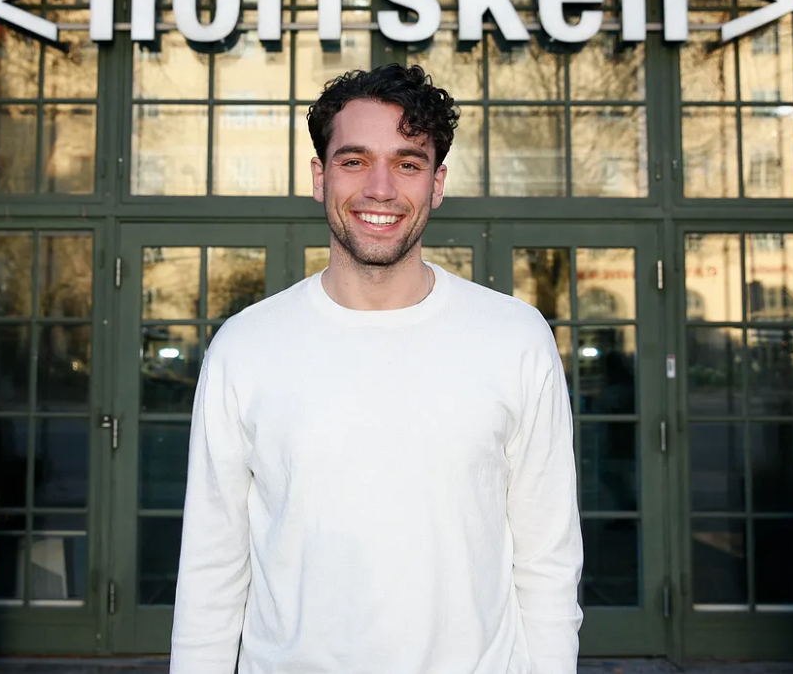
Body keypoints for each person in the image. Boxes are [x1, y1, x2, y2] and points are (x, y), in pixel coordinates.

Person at [170, 63, 583, 674]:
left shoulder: (515, 338)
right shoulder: (246, 346)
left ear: (437, 183)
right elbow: (212, 564)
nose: (381, 189)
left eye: (408, 163)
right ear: (320, 176)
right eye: (355, 160)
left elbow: (547, 559)